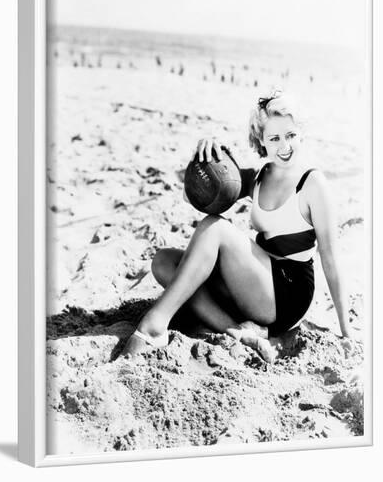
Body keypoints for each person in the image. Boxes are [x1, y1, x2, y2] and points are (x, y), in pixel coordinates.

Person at [121, 91, 356, 361]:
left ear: (300, 134)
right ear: (261, 141)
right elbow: (195, 197)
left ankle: (153, 326)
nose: (284, 146)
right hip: (254, 282)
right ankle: (239, 332)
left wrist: (346, 331)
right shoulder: (257, 178)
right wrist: (207, 155)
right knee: (164, 262)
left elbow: (330, 259)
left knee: (216, 228)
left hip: (288, 292)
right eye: (275, 138)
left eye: (290, 135)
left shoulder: (312, 183)